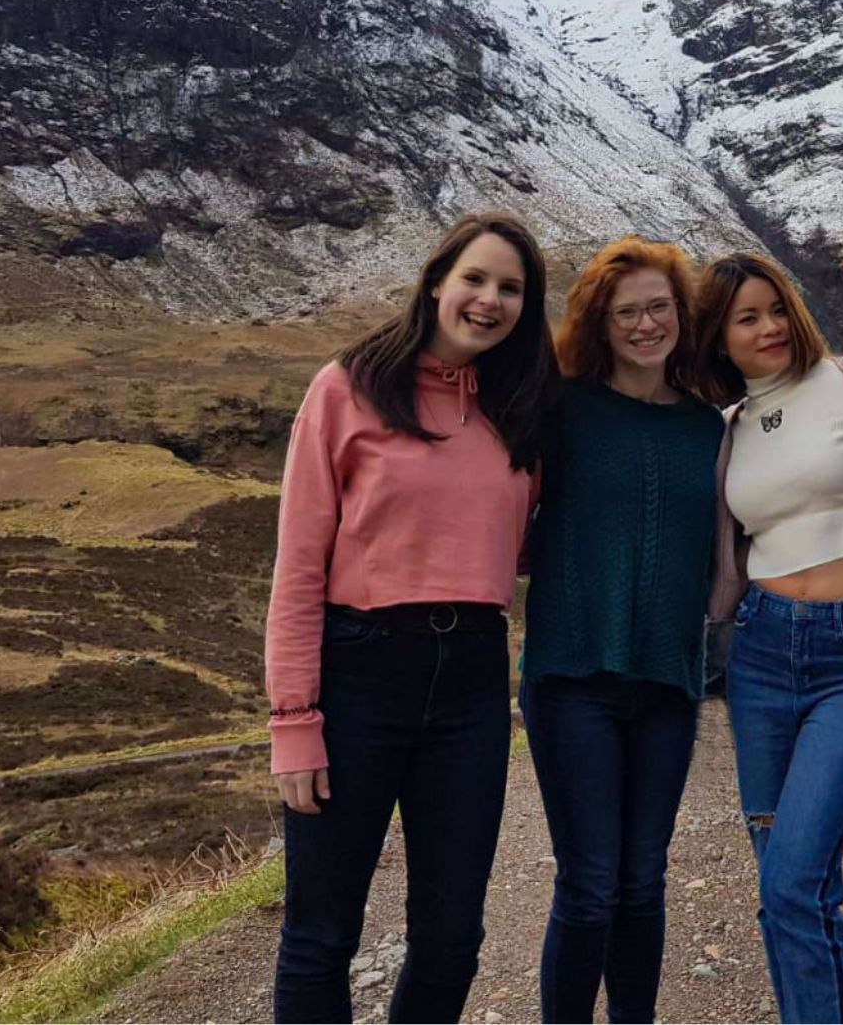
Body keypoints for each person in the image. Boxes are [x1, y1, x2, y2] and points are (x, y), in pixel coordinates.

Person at [264, 211, 559, 1024]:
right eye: (475, 278)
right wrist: (293, 720)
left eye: (510, 289)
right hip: (358, 671)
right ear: (436, 281)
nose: (489, 300)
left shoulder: (523, 410)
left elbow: (526, 542)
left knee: (452, 937)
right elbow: (298, 567)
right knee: (322, 935)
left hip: (471, 682)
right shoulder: (347, 387)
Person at [695, 251, 843, 1025]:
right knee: (785, 886)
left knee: (793, 877)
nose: (769, 328)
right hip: (759, 655)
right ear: (718, 339)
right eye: (746, 318)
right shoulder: (728, 427)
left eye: (776, 308)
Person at [520, 237, 723, 1024]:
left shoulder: (708, 427)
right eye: (626, 311)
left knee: (645, 878)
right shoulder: (560, 410)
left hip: (669, 682)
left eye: (659, 307)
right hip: (573, 679)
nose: (645, 324)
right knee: (591, 880)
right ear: (600, 323)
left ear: (681, 314)